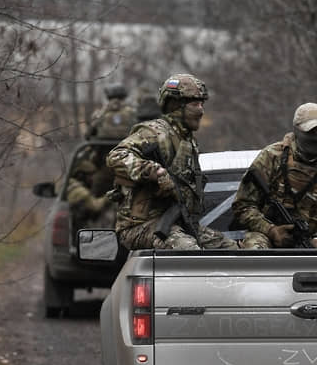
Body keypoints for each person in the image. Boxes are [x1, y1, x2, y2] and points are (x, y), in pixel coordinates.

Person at [106, 73, 238, 250]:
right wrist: (153, 171)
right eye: (195, 104)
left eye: (202, 104)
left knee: (231, 250)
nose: (201, 110)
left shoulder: (188, 142)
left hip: (179, 224)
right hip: (140, 227)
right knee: (187, 249)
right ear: (176, 106)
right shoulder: (155, 133)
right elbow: (116, 156)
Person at [231, 103, 317, 249]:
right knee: (255, 247)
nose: (315, 136)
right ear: (296, 130)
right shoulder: (272, 157)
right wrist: (271, 230)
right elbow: (243, 205)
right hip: (270, 236)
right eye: (310, 131)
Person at [67, 83, 137, 229]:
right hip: (130, 167)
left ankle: (94, 229)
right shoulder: (133, 114)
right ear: (124, 96)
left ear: (108, 96)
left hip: (104, 167)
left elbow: (88, 135)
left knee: (95, 198)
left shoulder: (100, 114)